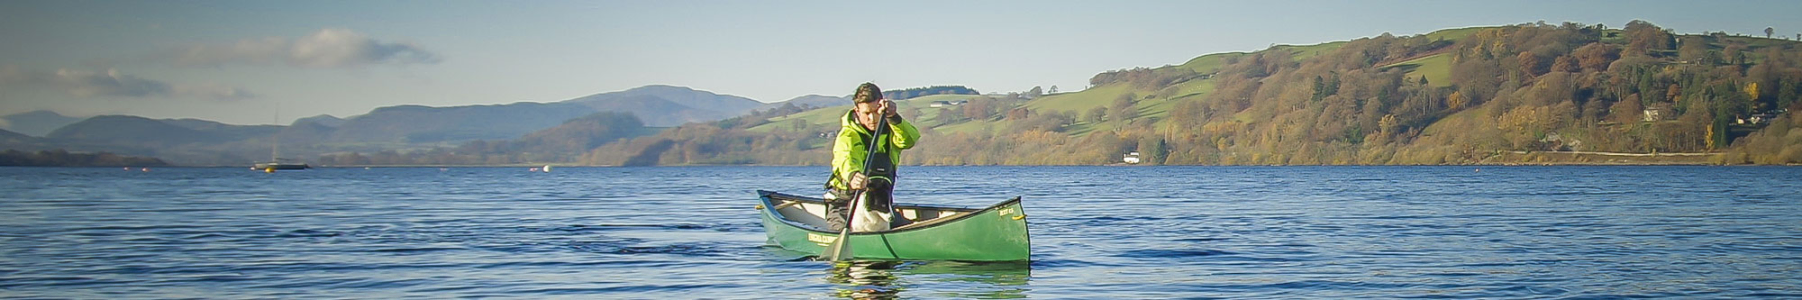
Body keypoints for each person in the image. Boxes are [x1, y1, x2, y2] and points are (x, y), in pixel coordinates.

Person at [825, 82, 920, 232]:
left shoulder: (892, 130)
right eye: (866, 113)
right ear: (857, 111)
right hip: (845, 206)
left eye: (876, 111)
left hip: (879, 205)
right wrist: (853, 175)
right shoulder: (848, 135)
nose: (872, 118)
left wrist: (893, 116)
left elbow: (909, 140)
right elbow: (845, 158)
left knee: (911, 228)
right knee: (841, 231)